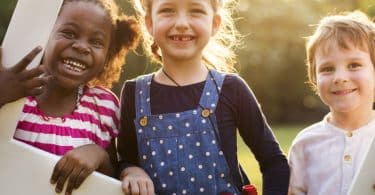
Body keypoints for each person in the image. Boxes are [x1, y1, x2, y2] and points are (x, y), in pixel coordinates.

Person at [117, 0, 290, 194]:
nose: (182, 23)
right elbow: (125, 159)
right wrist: (130, 170)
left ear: (215, 24)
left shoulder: (231, 89)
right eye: (168, 10)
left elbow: (274, 162)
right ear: (149, 23)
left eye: (196, 11)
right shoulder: (134, 93)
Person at [6, 0, 140, 194]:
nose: (81, 47)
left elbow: (109, 181)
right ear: (46, 35)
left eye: (96, 42)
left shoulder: (103, 106)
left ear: (108, 56)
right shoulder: (16, 91)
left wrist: (98, 155)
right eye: (69, 33)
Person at [288, 11, 375, 195]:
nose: (340, 77)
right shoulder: (304, 145)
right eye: (327, 69)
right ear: (314, 79)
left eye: (354, 65)